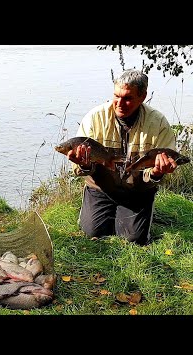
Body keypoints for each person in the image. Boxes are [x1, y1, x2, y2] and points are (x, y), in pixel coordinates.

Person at [67, 69, 179, 246]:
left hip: (137, 192)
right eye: (116, 96)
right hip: (101, 189)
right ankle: (109, 213)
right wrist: (85, 165)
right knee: (93, 233)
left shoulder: (158, 123)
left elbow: (160, 169)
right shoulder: (95, 118)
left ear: (142, 97)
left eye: (127, 98)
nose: (120, 103)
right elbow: (79, 170)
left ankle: (139, 215)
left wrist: (157, 172)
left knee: (134, 240)